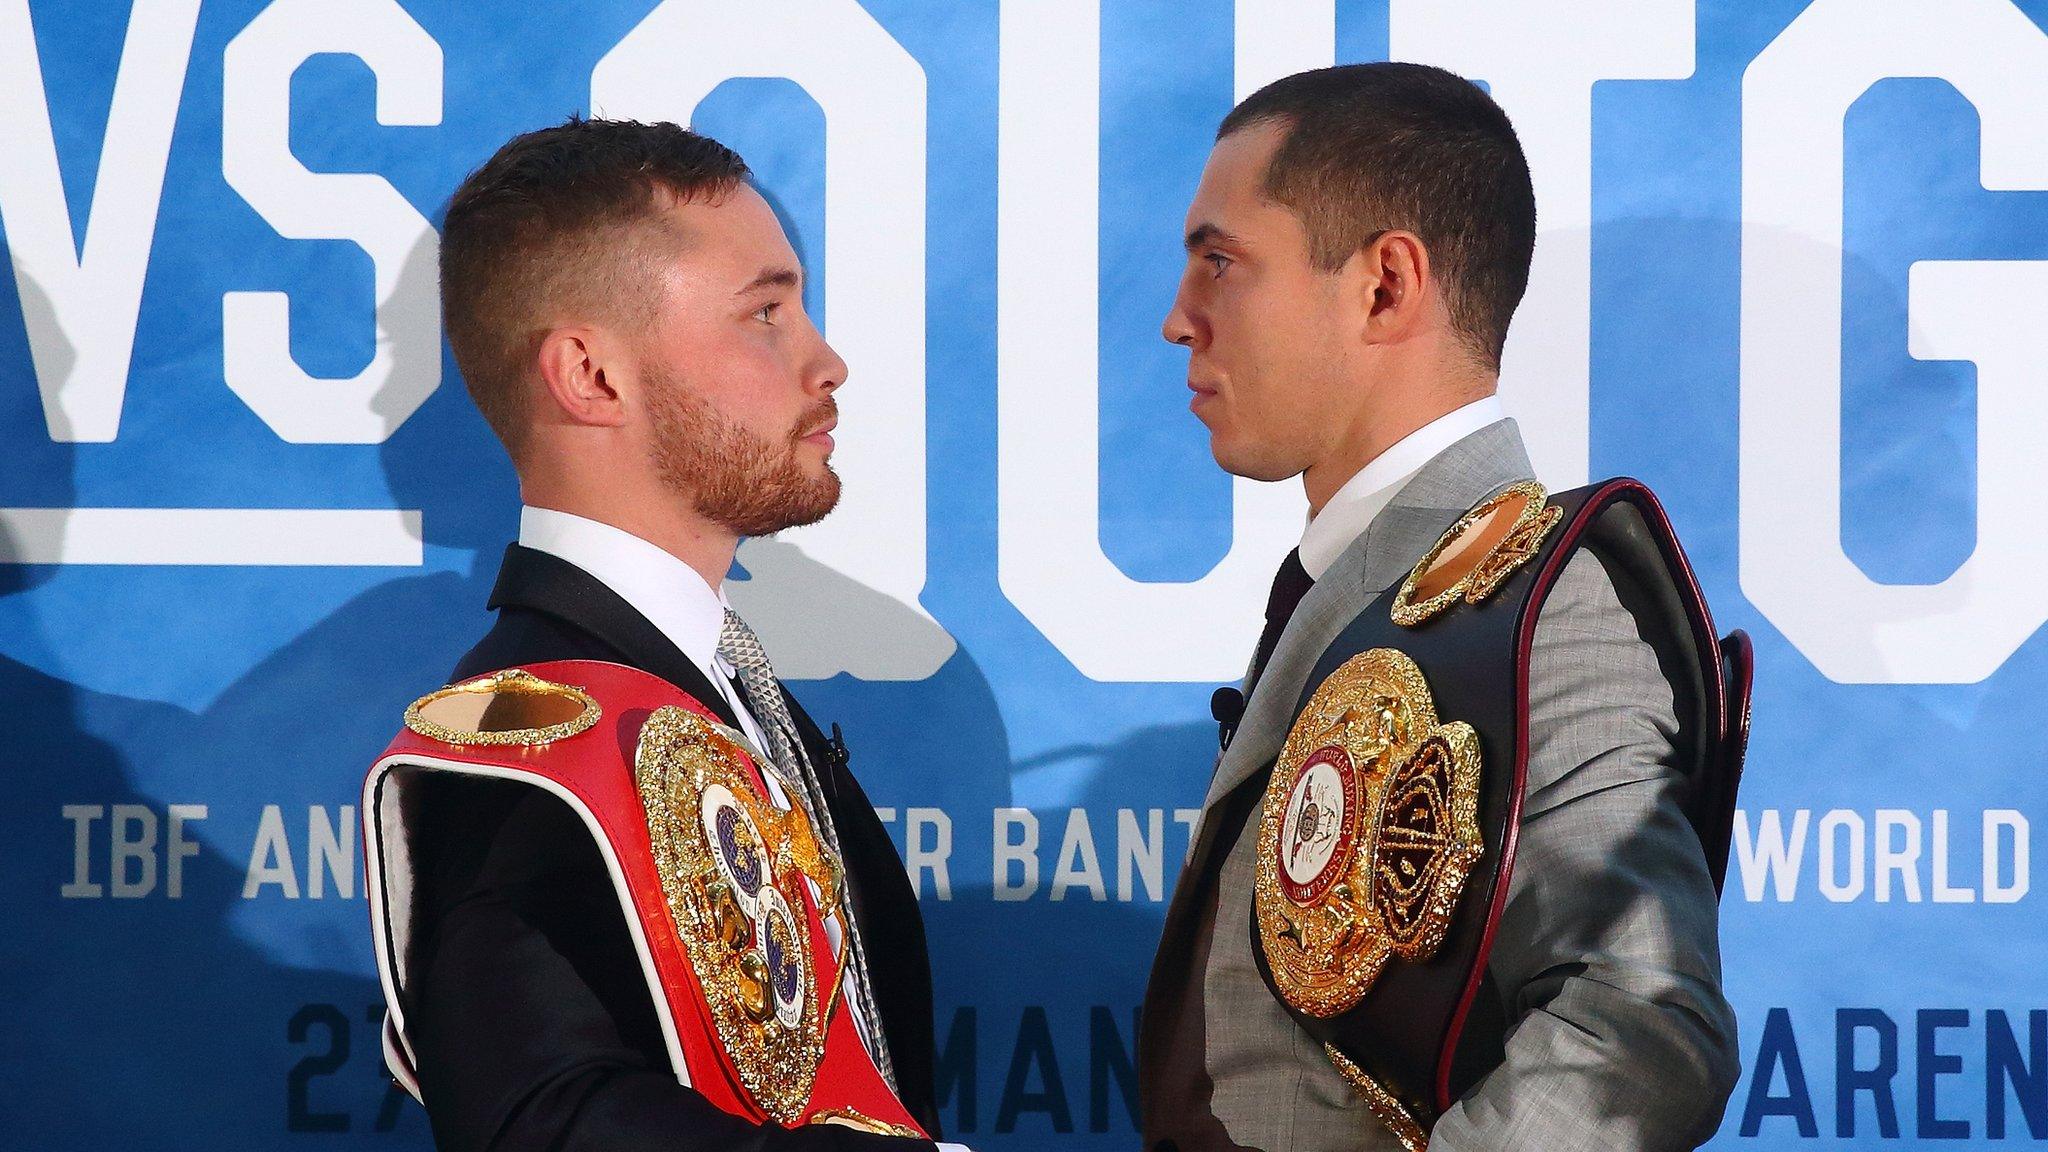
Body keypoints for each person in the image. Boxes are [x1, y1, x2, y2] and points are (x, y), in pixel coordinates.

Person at [1138, 64, 1743, 1150]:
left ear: (1384, 285)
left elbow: (1638, 1029)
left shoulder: (1550, 607)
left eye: (1220, 264)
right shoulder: (1361, 588)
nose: (1180, 320)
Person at [362, 117, 958, 1151]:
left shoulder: (726, 688)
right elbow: (537, 1122)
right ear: (590, 376)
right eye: (765, 313)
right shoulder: (519, 750)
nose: (827, 361)